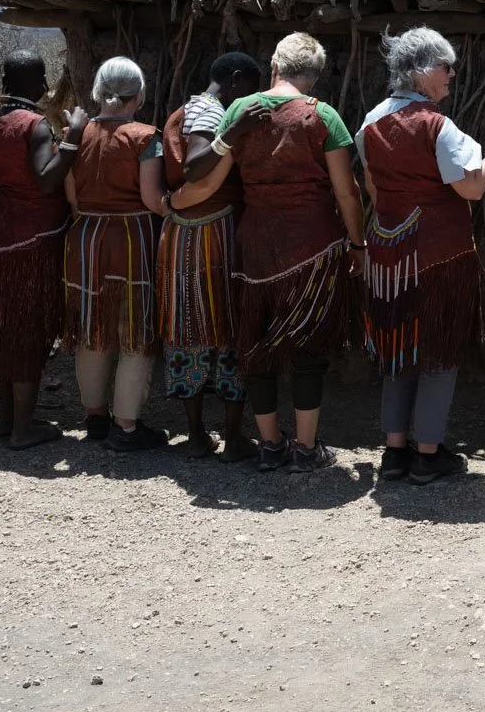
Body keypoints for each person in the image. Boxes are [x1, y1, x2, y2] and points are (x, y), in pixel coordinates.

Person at [185, 33, 365, 474]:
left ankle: (268, 444)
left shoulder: (239, 113)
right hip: (314, 249)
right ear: (315, 76)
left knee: (256, 346)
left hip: (257, 247)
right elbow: (346, 191)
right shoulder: (322, 117)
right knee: (309, 349)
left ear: (274, 67)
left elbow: (208, 179)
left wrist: (174, 205)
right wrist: (358, 243)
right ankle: (305, 449)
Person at [359, 27, 485, 485]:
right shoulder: (437, 125)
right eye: (445, 66)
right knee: (439, 352)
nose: (452, 74)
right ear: (422, 71)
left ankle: (394, 453)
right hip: (438, 258)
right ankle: (427, 453)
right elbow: (472, 185)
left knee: (398, 350)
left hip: (387, 257)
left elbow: (373, 188)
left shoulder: (369, 122)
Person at [158, 51, 265, 461]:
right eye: (248, 88)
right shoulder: (208, 112)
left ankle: (197, 434)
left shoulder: (183, 111)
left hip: (181, 234)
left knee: (188, 328)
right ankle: (233, 438)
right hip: (213, 233)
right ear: (235, 80)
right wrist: (234, 131)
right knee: (227, 328)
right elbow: (195, 168)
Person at [62, 57, 168, 452]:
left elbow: (71, 197)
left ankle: (95, 417)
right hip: (130, 238)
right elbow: (151, 200)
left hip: (84, 236)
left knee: (91, 327)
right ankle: (126, 426)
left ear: (97, 92)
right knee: (133, 331)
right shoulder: (145, 137)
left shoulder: (77, 133)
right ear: (138, 95)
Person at [0, 51, 75, 448]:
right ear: (40, 83)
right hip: (33, 239)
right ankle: (23, 429)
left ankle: (5, 420)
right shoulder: (36, 126)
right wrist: (74, 139)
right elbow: (47, 180)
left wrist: (13, 200)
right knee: (29, 331)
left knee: (4, 330)